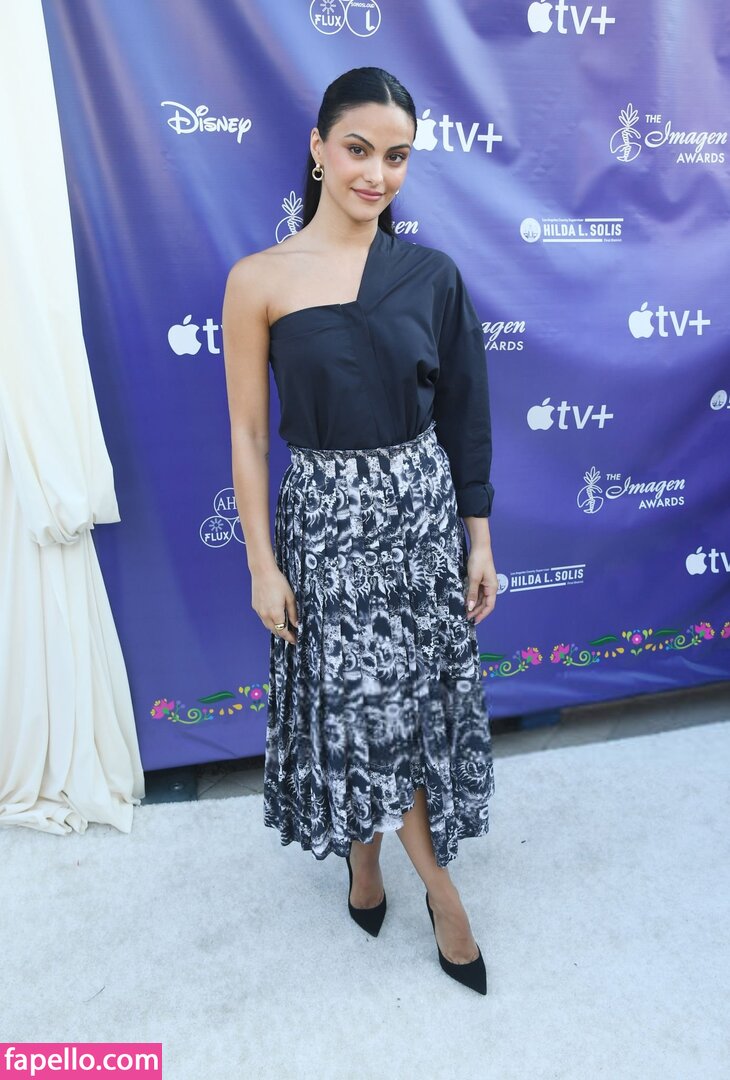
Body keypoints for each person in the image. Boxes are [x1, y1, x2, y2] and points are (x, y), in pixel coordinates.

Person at [222, 67, 497, 995]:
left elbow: (465, 415)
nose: (376, 173)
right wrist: (261, 565)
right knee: (361, 708)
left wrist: (479, 539)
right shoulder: (258, 280)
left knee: (410, 710)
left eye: (397, 157)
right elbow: (249, 434)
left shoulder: (431, 276)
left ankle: (384, 866)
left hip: (420, 520)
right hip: (327, 529)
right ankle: (432, 889)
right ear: (317, 147)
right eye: (358, 149)